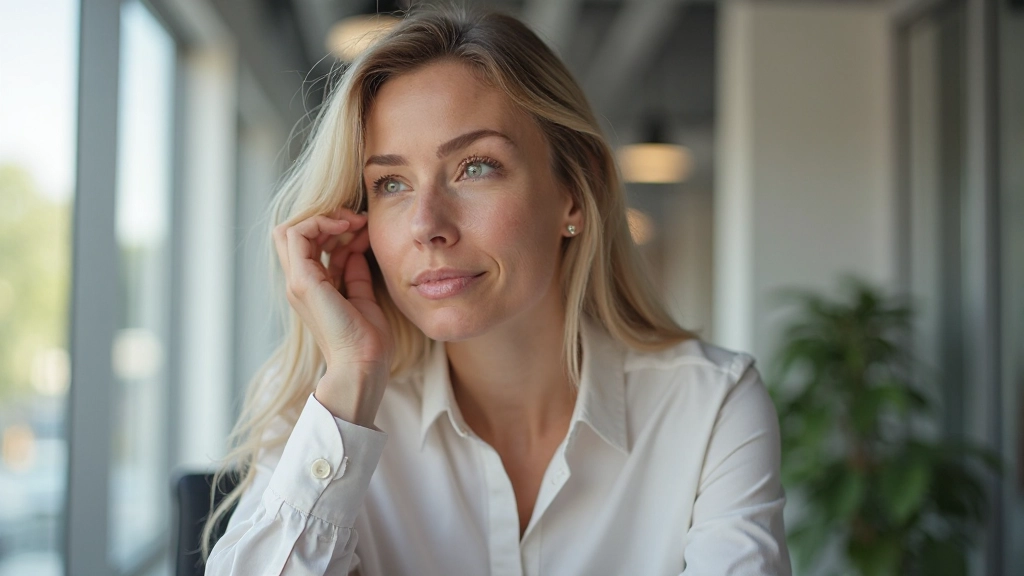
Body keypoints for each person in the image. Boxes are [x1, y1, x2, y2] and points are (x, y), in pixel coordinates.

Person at [204, 6, 790, 575]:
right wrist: (354, 377)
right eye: (390, 183)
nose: (426, 224)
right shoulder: (326, 411)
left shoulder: (710, 404)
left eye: (475, 167)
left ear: (574, 194)